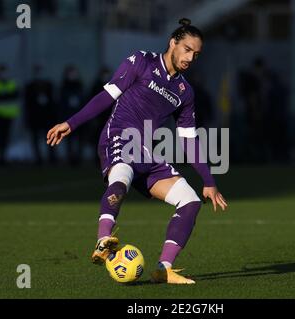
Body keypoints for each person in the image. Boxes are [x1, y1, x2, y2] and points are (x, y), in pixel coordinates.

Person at [47, 18, 227, 284]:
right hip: (118, 136)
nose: (191, 57)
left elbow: (189, 138)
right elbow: (107, 95)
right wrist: (70, 124)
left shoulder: (184, 92)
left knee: (189, 200)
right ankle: (103, 239)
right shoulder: (141, 61)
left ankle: (164, 268)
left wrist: (209, 181)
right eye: (187, 49)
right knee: (121, 176)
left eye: (196, 54)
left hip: (145, 152)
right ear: (173, 42)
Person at [24, 64, 56, 165]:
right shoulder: (29, 86)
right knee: (36, 139)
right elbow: (27, 103)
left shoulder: (49, 85)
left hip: (47, 117)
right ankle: (38, 159)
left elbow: (53, 102)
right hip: (35, 117)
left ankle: (52, 158)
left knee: (50, 138)